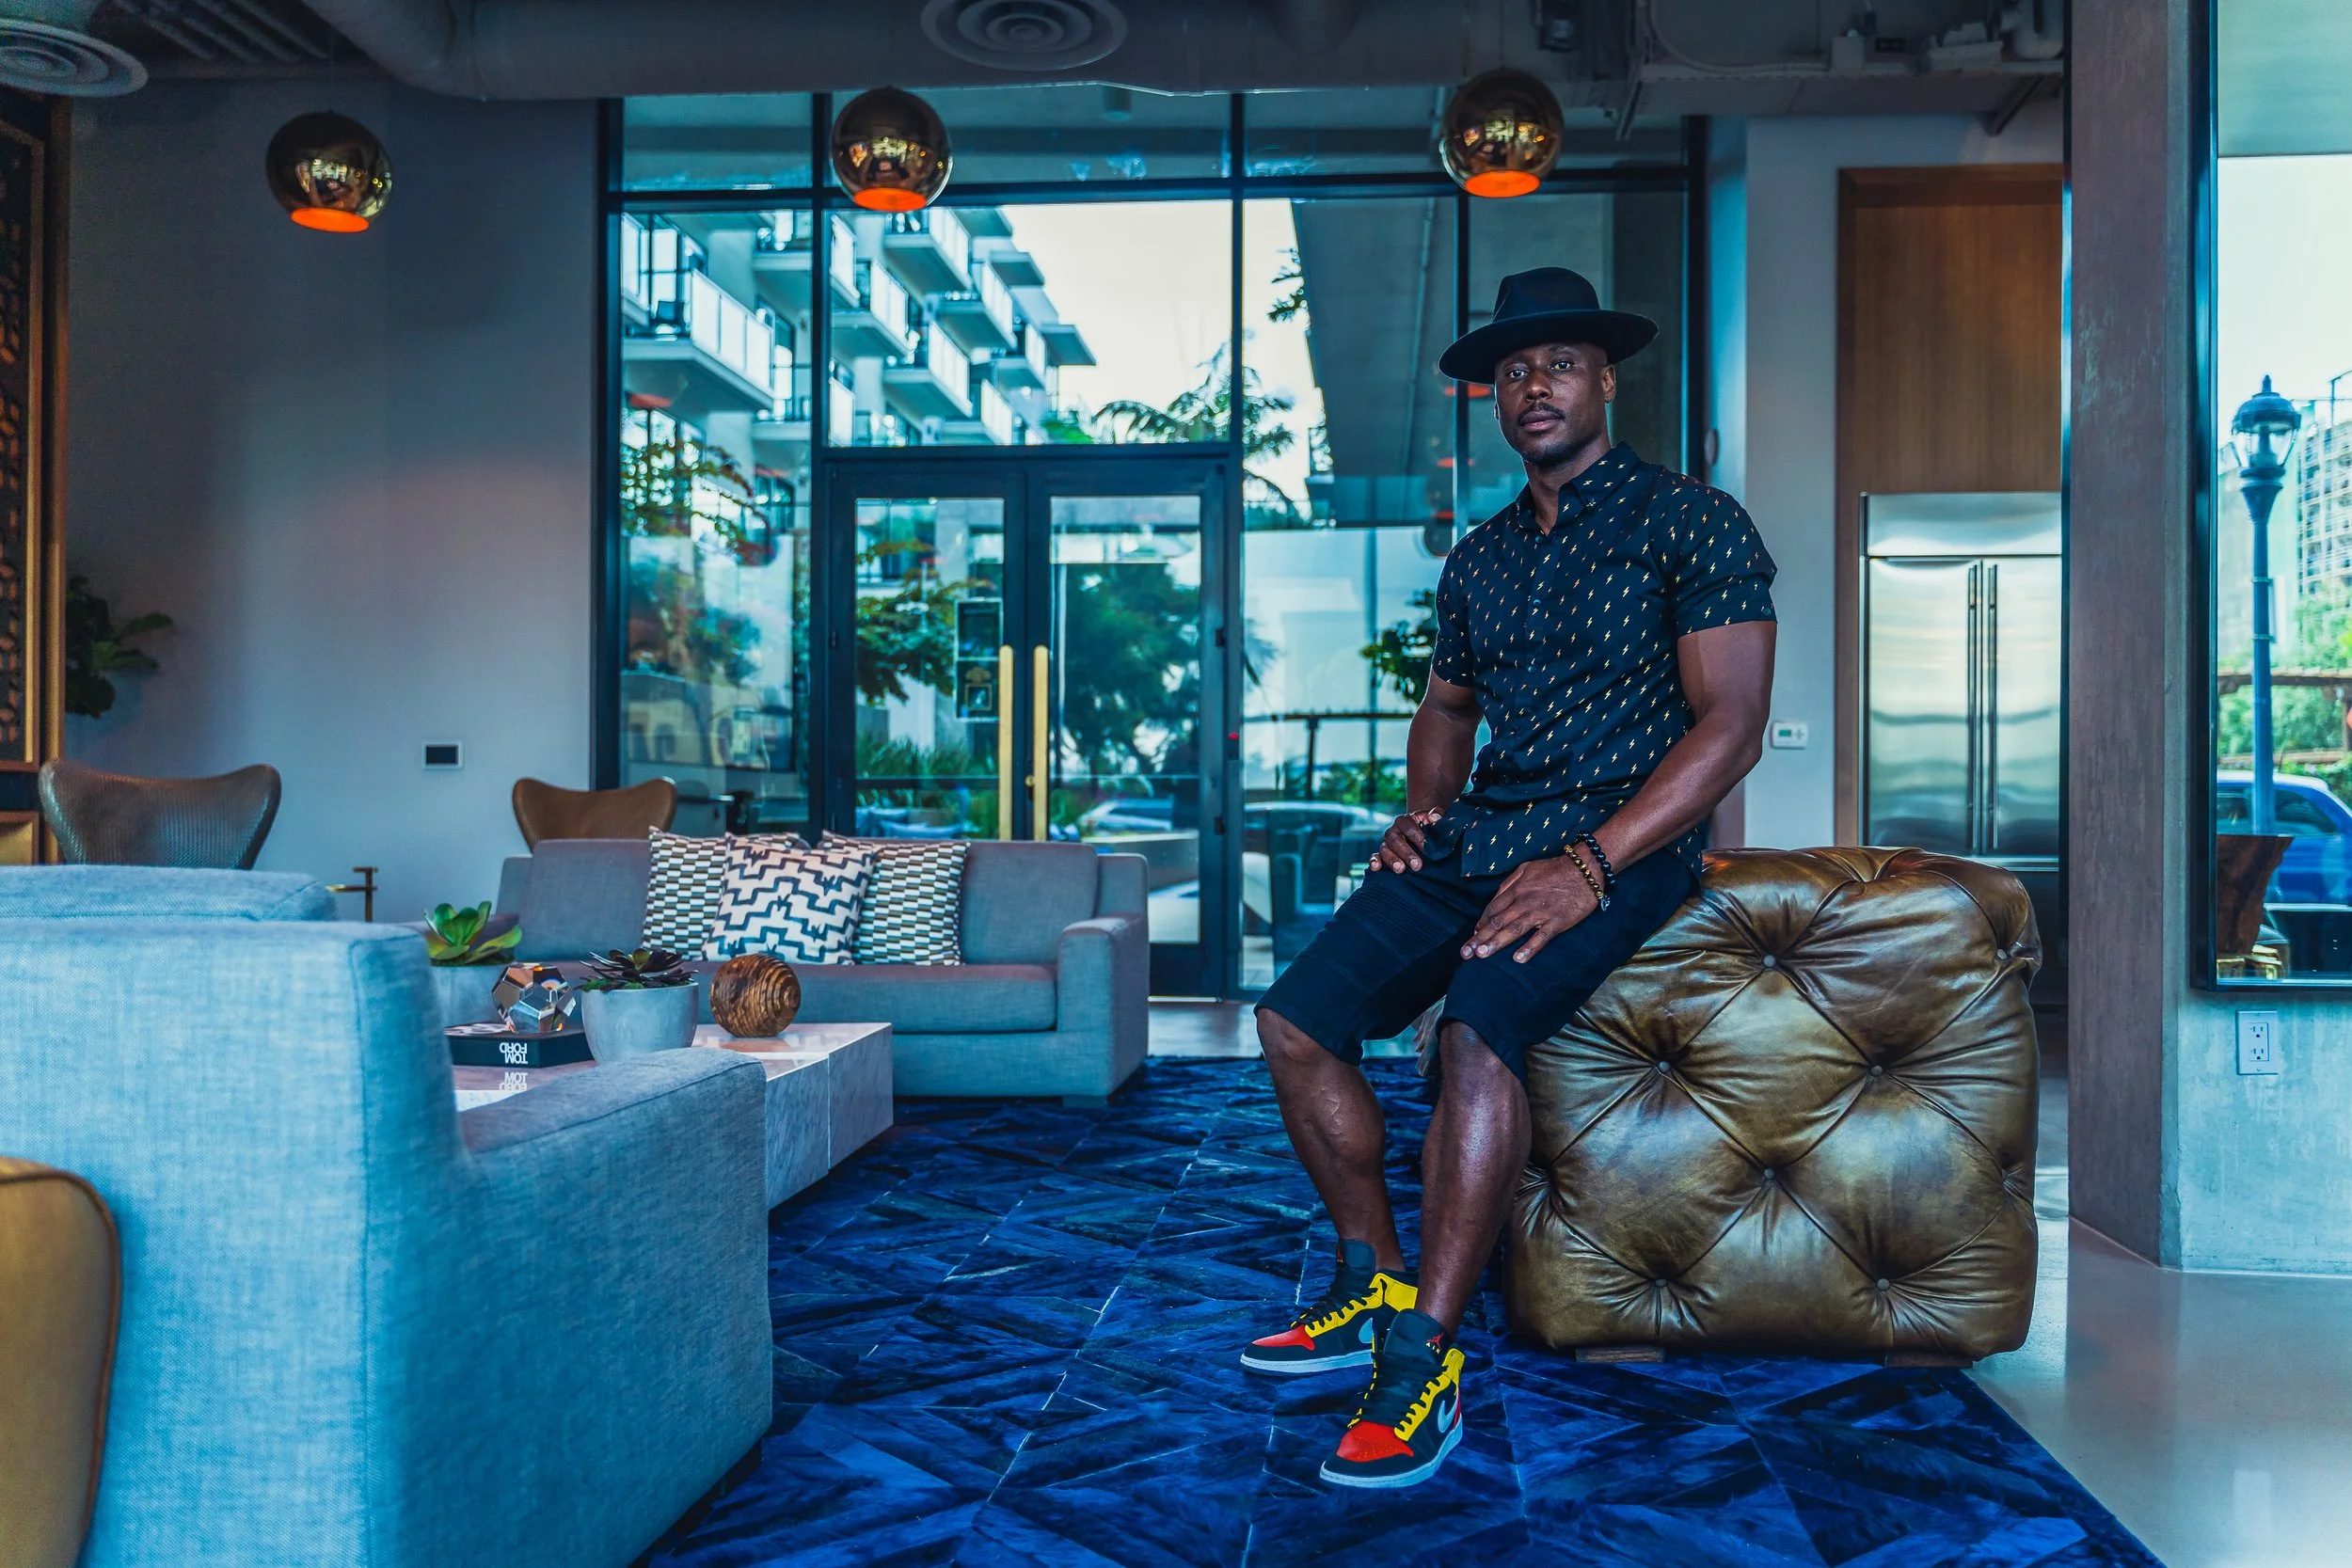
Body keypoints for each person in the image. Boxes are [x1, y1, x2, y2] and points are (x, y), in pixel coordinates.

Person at [1243, 267, 1778, 1489]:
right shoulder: (1481, 556)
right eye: (1515, 370)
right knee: (1292, 1018)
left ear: (1606, 378)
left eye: (1562, 363)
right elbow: (1449, 703)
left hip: (1616, 849)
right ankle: (1372, 1284)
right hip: (1484, 832)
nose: (1536, 385)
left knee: (1477, 1029)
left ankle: (1427, 1356)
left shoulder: (1693, 521)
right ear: (1499, 397)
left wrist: (1592, 861)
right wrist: (1423, 812)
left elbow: (1732, 722)